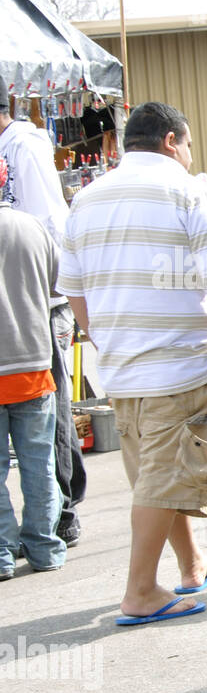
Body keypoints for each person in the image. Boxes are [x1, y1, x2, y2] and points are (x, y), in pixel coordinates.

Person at [60, 101, 207, 625]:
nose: (189, 153)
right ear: (171, 140)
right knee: (168, 475)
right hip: (179, 362)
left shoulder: (87, 198)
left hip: (122, 365)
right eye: (187, 144)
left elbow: (73, 289)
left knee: (158, 472)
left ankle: (192, 564)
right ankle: (141, 591)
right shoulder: (189, 192)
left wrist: (104, 335)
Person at [0, 94, 85, 546]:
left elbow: (49, 224)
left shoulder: (24, 146)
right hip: (23, 294)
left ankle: (62, 512)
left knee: (46, 419)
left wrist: (54, 297)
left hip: (41, 299)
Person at [0, 156, 66, 580]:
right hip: (34, 367)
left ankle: (2, 555)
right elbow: (61, 287)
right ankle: (45, 549)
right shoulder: (32, 227)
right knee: (39, 464)